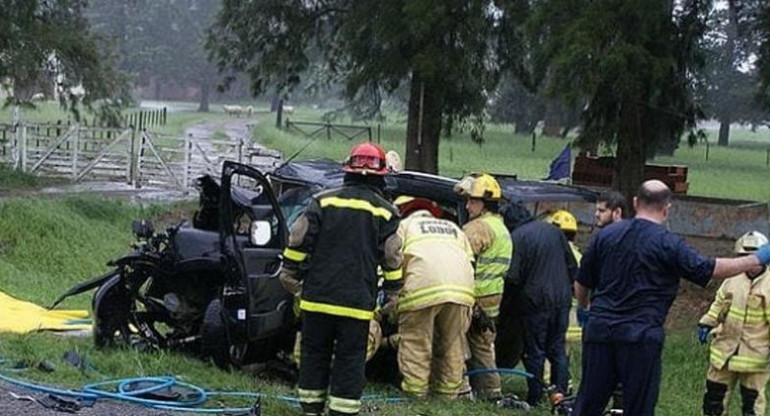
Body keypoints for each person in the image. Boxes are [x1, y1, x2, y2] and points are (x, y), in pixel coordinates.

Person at [571, 180, 770, 416]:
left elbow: (582, 283)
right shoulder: (668, 244)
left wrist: (585, 310)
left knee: (588, 403)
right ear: (667, 209)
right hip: (640, 339)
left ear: (635, 203)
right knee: (638, 407)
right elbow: (709, 268)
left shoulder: (605, 237)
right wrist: (756, 259)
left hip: (600, 332)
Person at [279, 142, 404, 416]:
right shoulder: (385, 212)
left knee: (313, 356)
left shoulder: (323, 201)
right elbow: (392, 258)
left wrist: (290, 272)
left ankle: (310, 409)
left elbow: (299, 239)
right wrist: (393, 293)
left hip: (316, 300)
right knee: (350, 361)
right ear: (381, 176)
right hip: (356, 305)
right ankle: (342, 411)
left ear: (347, 171)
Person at [393, 196, 476, 398]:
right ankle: (447, 394)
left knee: (416, 342)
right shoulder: (453, 228)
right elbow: (471, 261)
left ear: (404, 212)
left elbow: (394, 260)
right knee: (453, 343)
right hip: (461, 291)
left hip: (421, 291)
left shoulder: (403, 227)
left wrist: (393, 294)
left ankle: (416, 393)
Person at [500, 203, 577, 406]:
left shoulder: (518, 237)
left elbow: (514, 277)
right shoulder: (554, 231)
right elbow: (572, 265)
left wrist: (506, 305)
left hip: (535, 302)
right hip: (562, 301)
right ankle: (560, 395)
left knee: (535, 351)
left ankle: (535, 397)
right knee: (557, 348)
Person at [453, 173, 512, 399]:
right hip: (493, 296)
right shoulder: (501, 227)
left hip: (475, 295)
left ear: (485, 203)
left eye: (472, 201)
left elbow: (457, 253)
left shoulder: (479, 227)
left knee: (454, 338)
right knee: (482, 343)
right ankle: (490, 391)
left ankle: (460, 388)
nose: (467, 206)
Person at [699, 231, 770, 416]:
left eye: (754, 257)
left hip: (754, 356)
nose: (750, 262)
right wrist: (707, 322)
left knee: (752, 402)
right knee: (714, 398)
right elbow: (719, 303)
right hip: (725, 352)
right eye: (745, 257)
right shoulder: (732, 278)